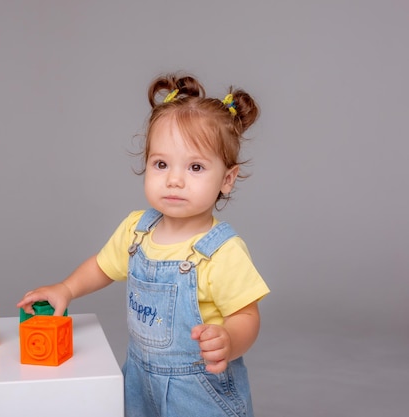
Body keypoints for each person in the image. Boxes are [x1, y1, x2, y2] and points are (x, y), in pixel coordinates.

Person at [17, 72, 270, 417]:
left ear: (226, 179)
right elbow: (102, 266)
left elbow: (246, 314)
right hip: (139, 378)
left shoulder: (222, 251)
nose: (174, 179)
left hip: (198, 391)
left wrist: (228, 340)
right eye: (161, 164)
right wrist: (66, 288)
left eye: (195, 167)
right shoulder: (137, 230)